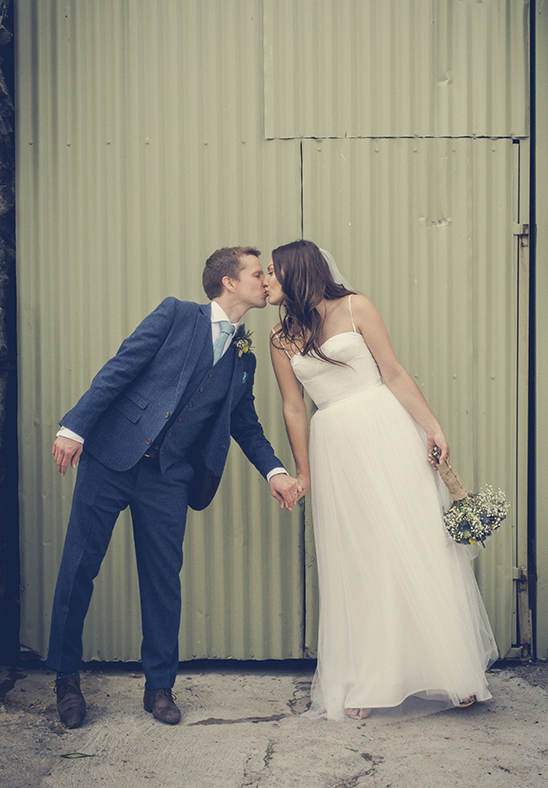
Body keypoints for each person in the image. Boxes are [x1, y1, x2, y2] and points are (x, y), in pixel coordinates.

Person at [48, 246, 299, 728]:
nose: (263, 281)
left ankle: (159, 687)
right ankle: (65, 679)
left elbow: (243, 423)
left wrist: (276, 471)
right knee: (79, 567)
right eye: (254, 273)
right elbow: (120, 368)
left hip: (169, 476)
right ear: (229, 282)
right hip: (111, 458)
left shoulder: (244, 355)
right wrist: (74, 426)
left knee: (163, 582)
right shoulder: (176, 314)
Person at [265, 240, 498, 720]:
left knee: (416, 543)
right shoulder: (279, 339)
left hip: (387, 429)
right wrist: (303, 469)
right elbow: (293, 407)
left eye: (272, 272)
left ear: (297, 272)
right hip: (335, 444)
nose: (265, 280)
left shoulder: (357, 307)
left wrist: (432, 427)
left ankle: (454, 674)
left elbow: (392, 373)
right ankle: (369, 678)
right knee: (359, 557)